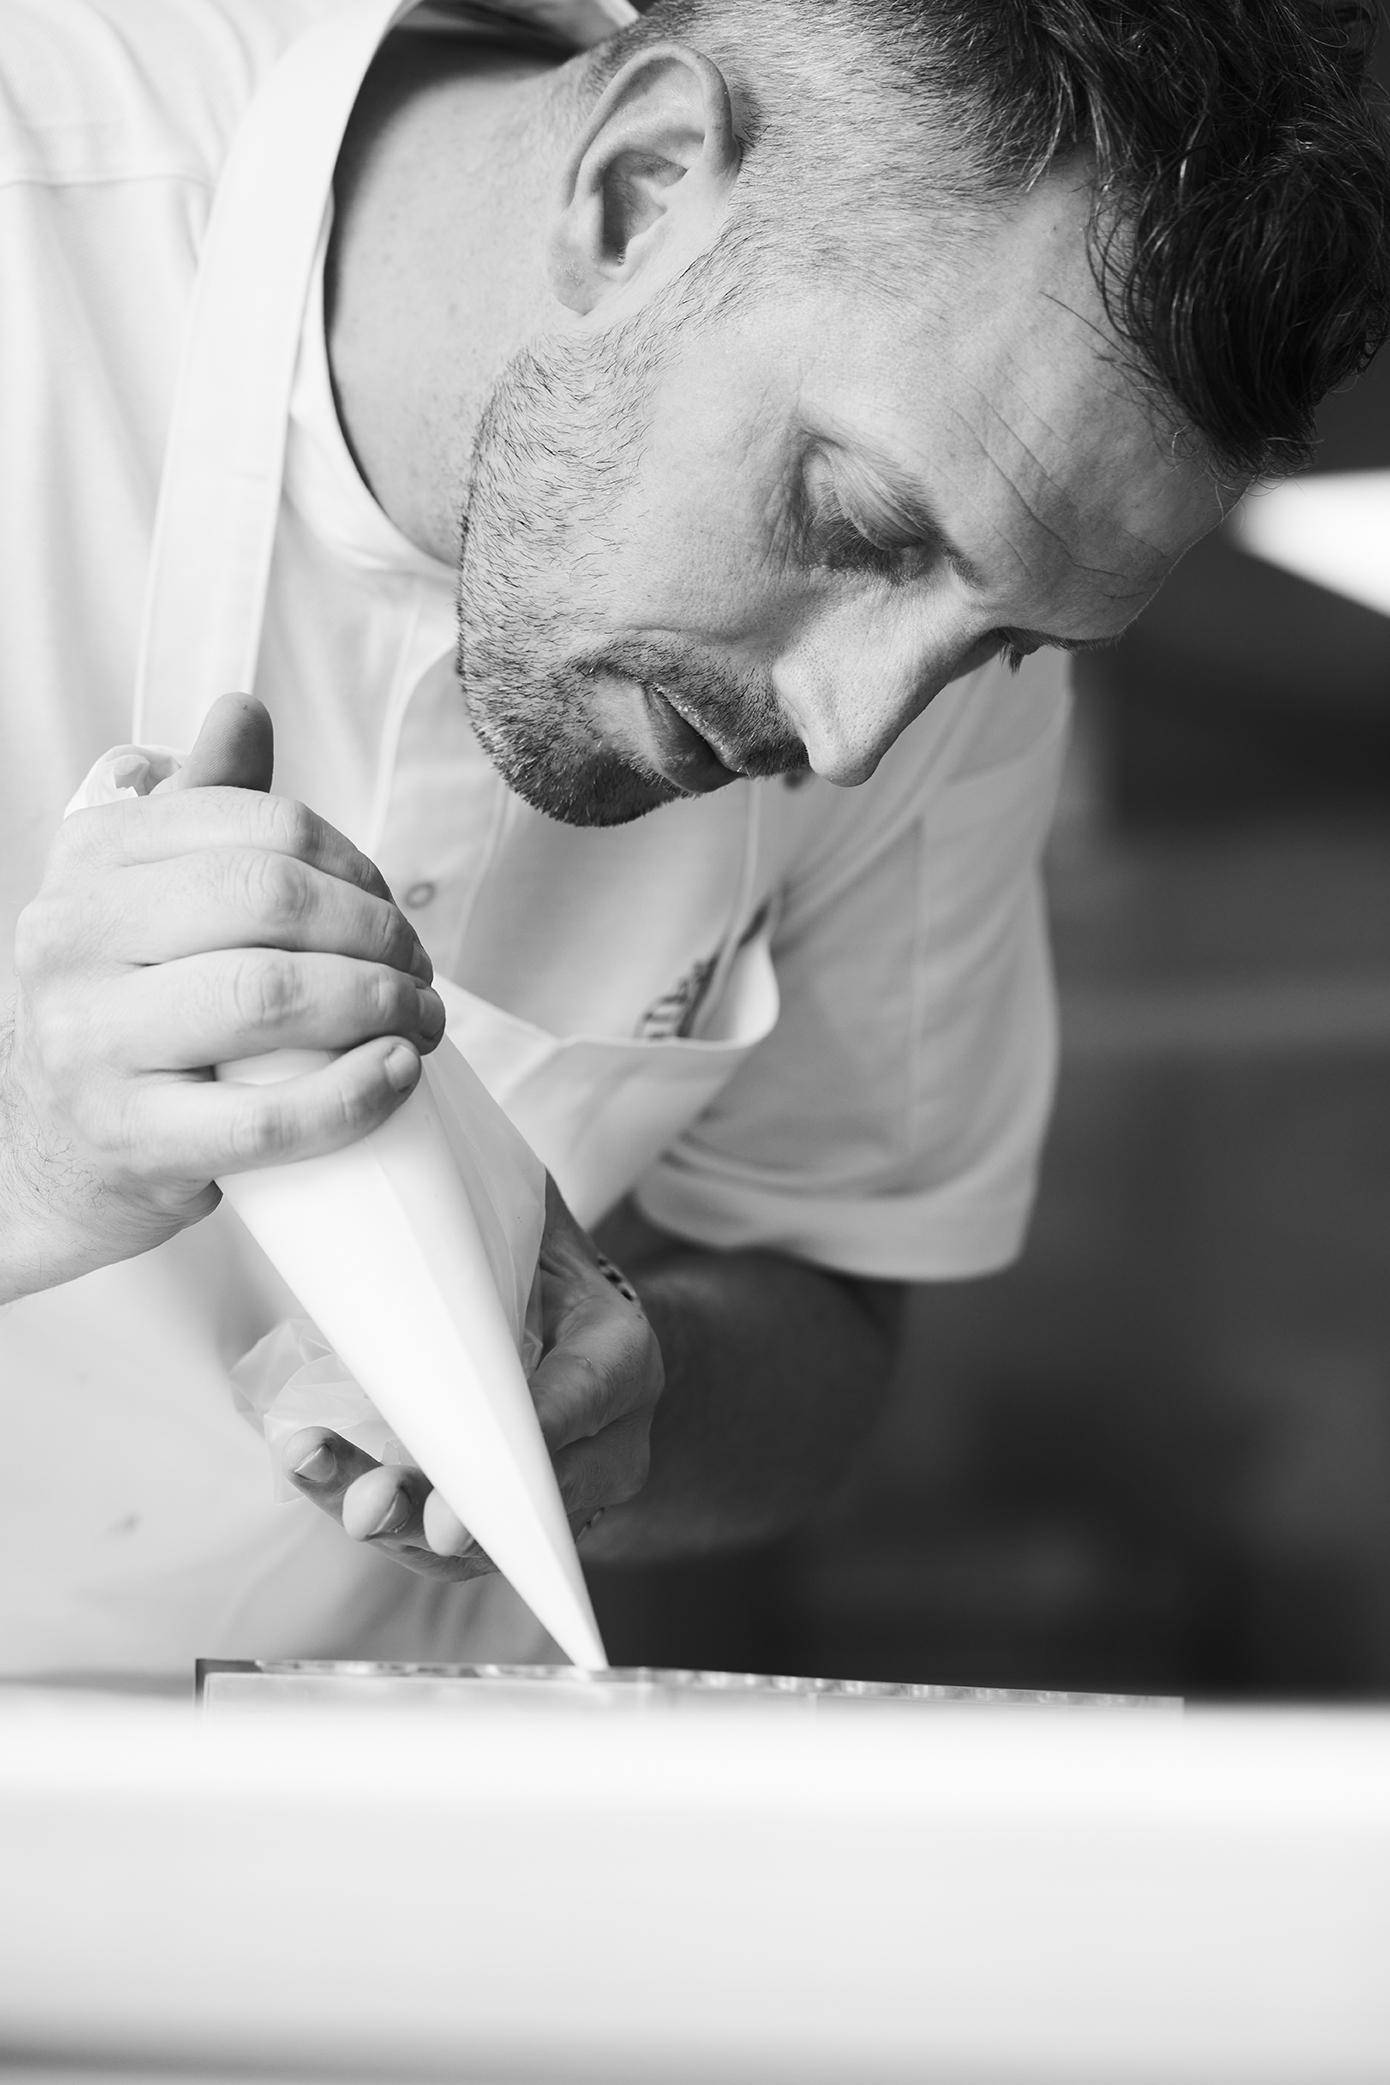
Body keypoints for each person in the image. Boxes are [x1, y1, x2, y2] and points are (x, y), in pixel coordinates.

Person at [1, 0, 1386, 1681]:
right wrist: (29, 1161)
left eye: (1003, 645)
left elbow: (828, 1294)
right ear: (637, 193)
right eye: (860, 524)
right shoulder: (36, 234)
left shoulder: (938, 655)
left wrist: (645, 1389)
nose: (852, 734)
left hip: (374, 1793)